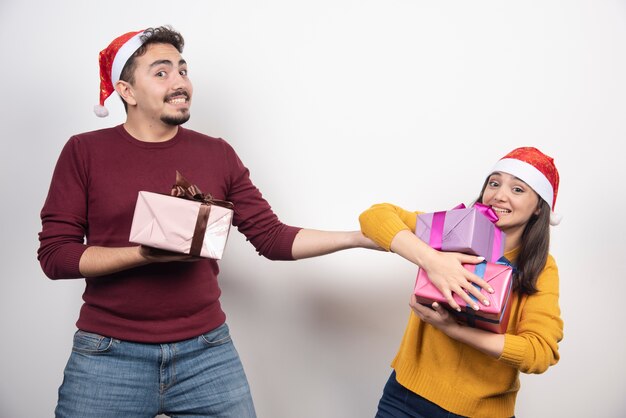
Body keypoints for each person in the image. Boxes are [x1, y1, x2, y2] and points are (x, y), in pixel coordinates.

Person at [38, 26, 375, 418]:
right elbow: (55, 256)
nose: (179, 82)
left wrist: (360, 237)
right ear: (126, 91)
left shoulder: (216, 153)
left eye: (183, 70)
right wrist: (143, 255)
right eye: (161, 73)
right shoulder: (85, 151)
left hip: (207, 354)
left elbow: (272, 238)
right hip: (109, 355)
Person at [359, 147, 564, 418]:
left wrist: (454, 330)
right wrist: (433, 260)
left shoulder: (541, 267)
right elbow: (375, 216)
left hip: (483, 413)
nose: (499, 195)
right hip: (405, 399)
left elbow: (539, 351)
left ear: (539, 206)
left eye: (517, 189)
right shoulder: (451, 230)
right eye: (494, 183)